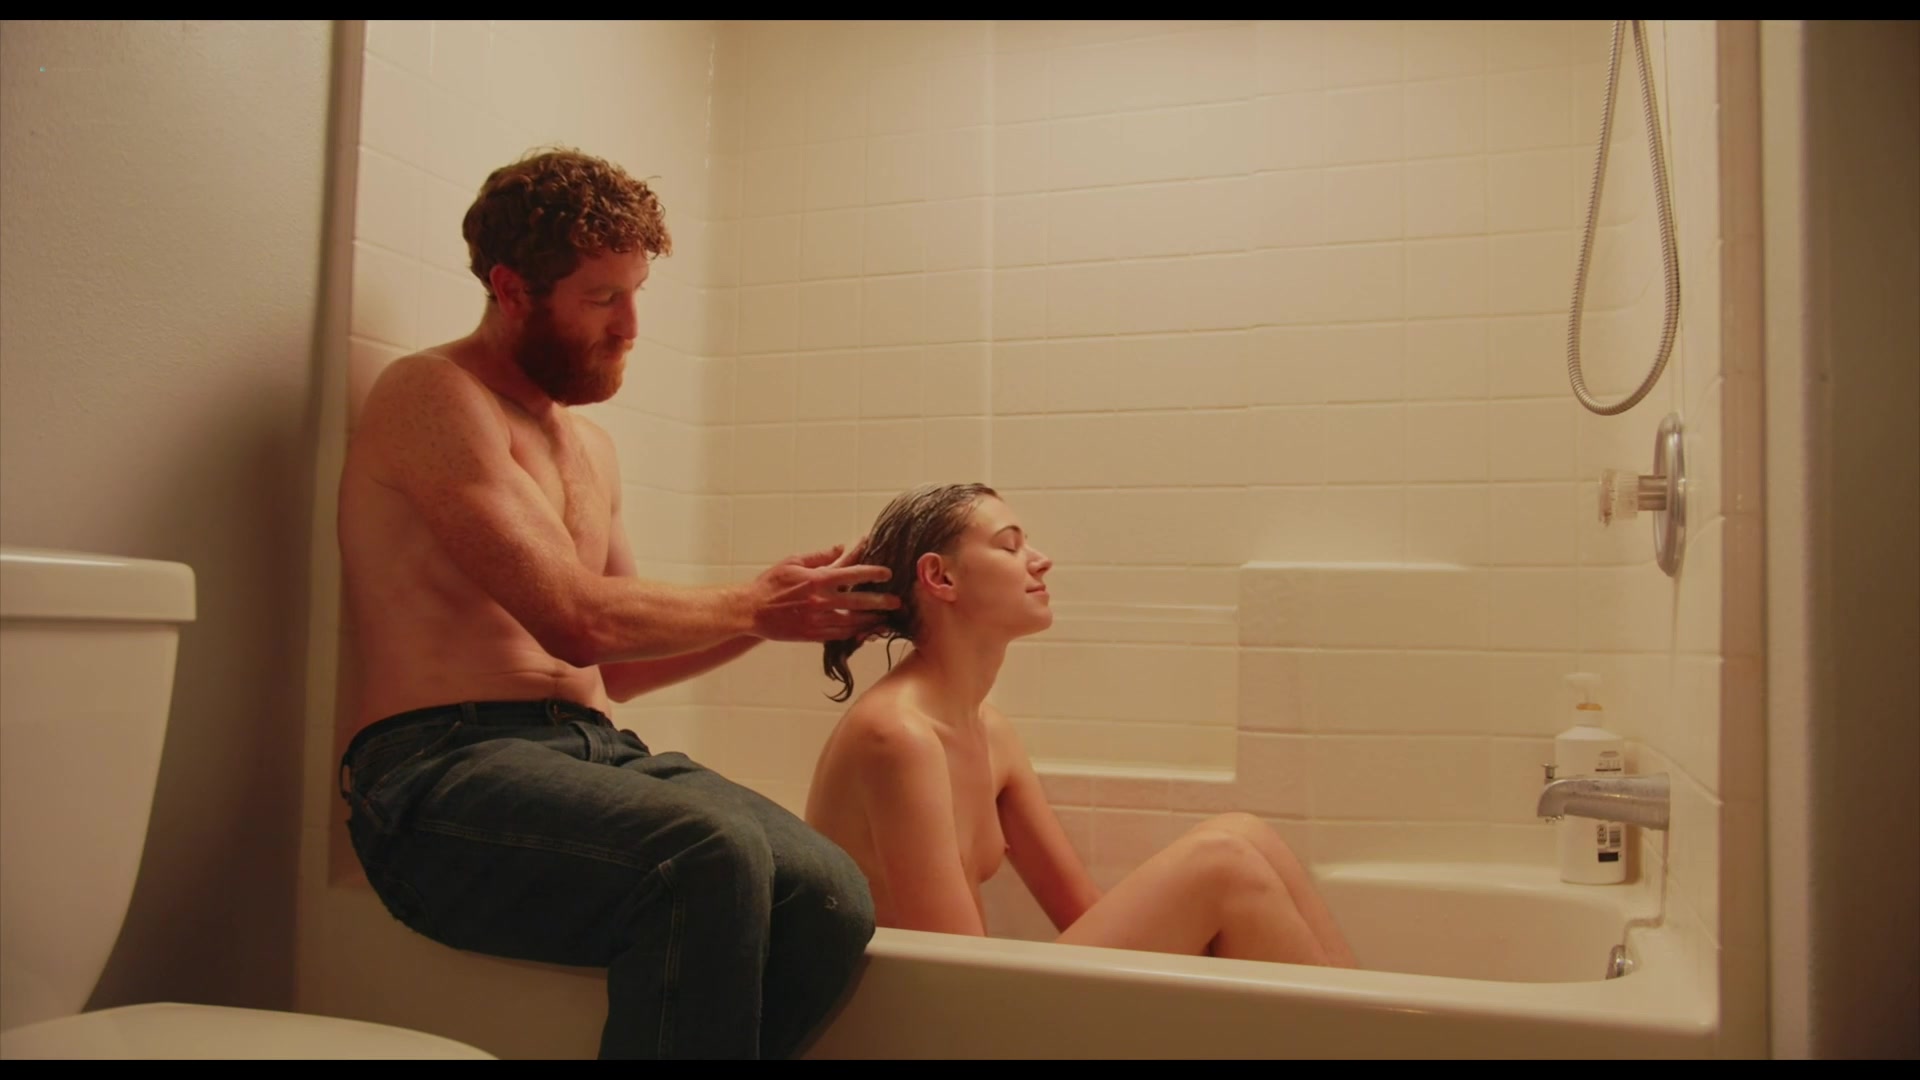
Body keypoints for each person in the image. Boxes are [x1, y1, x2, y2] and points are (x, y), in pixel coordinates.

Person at [335, 146, 898, 1060]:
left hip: (594, 751)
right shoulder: (434, 395)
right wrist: (751, 605)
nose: (631, 325)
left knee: (829, 894)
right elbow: (576, 618)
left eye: (635, 294)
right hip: (437, 775)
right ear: (512, 289)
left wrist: (778, 619)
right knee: (707, 850)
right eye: (603, 298)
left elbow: (619, 666)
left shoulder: (590, 448)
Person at [803, 482, 1359, 969]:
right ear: (940, 576)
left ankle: (1369, 1029)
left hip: (975, 995)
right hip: (936, 1021)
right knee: (1224, 862)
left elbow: (1084, 917)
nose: (1040, 560)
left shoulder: (989, 732)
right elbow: (954, 974)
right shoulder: (897, 737)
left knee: (1246, 834)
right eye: (1009, 546)